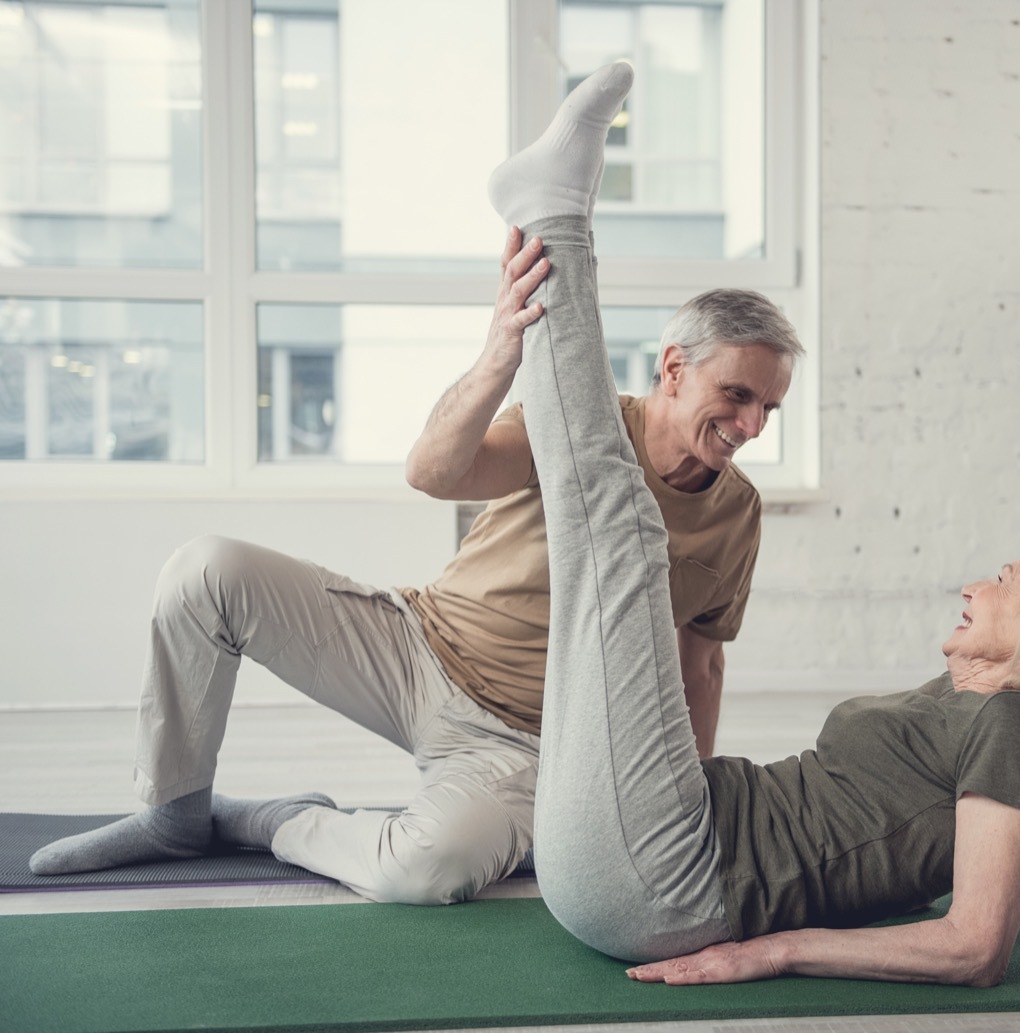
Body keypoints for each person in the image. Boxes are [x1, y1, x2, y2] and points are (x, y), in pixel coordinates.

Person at [28, 62, 802, 908]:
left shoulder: (738, 513)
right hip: (416, 650)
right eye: (738, 395)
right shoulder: (579, 421)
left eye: (769, 405)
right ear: (674, 369)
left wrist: (668, 809)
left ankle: (271, 818)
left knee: (423, 869)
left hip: (529, 744)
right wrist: (501, 351)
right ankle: (172, 811)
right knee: (202, 571)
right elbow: (433, 472)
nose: (753, 424)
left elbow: (701, 664)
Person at [486, 65, 1020, 984]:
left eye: (1006, 583)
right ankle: (548, 218)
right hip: (650, 845)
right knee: (593, 563)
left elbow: (977, 947)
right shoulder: (972, 703)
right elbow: (917, 832)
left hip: (667, 881)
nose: (974, 584)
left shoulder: (1018, 726)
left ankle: (554, 216)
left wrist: (775, 948)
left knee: (625, 538)